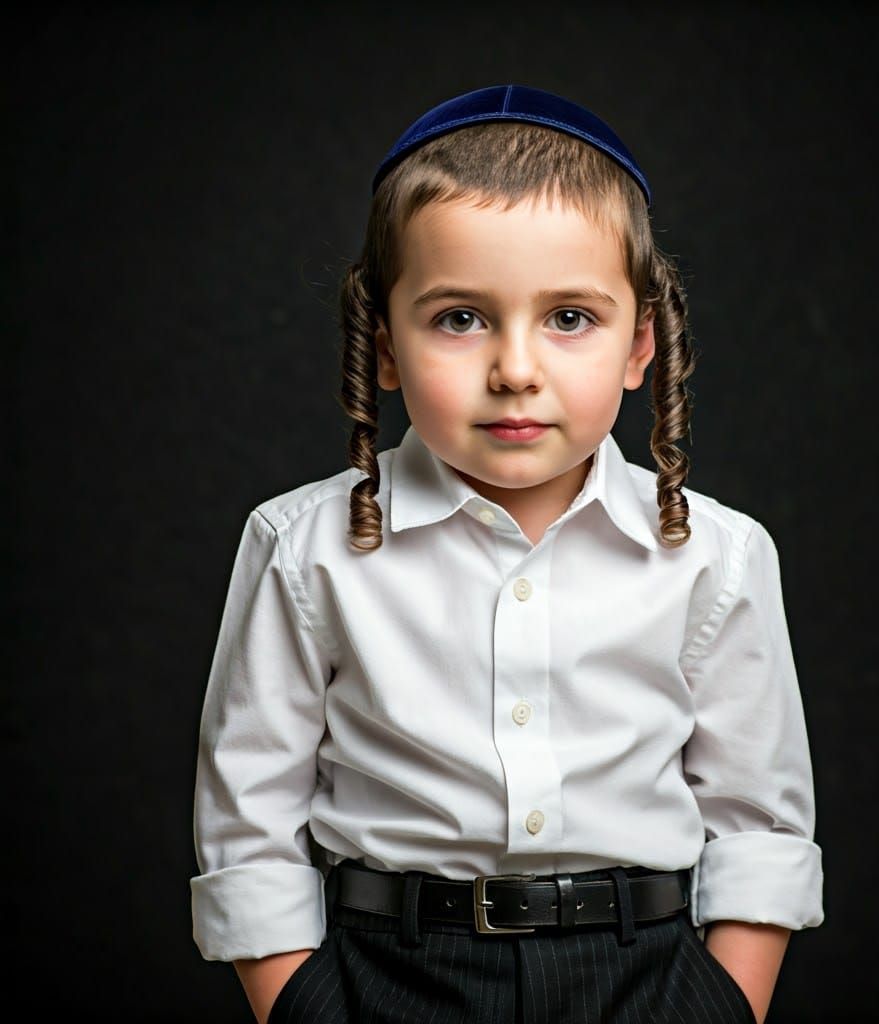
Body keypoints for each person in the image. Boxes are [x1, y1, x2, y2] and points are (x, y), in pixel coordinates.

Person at [190, 84, 824, 1024]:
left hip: (646, 979)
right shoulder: (302, 548)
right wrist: (306, 1007)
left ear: (640, 341)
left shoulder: (715, 556)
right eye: (459, 317)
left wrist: (721, 1005)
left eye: (570, 317)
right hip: (388, 978)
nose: (516, 368)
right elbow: (249, 817)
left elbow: (759, 819)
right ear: (387, 346)